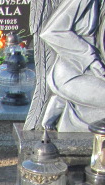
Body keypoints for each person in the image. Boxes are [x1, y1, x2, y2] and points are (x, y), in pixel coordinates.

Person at [40, 0, 105, 131]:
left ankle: (64, 101)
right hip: (74, 72)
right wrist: (92, 60)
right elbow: (52, 32)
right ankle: (65, 106)